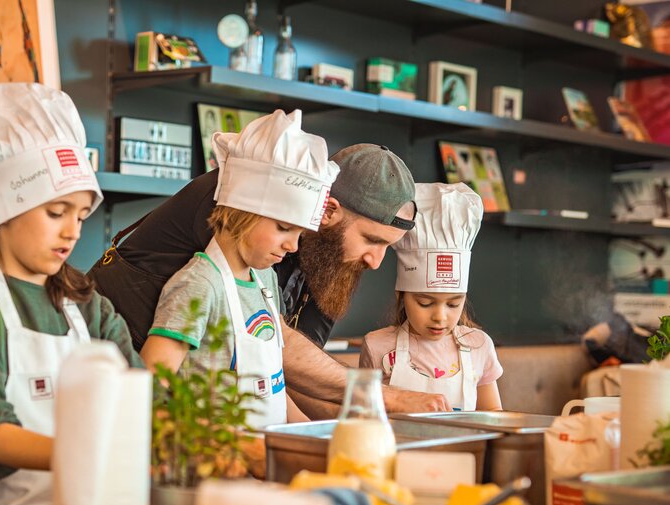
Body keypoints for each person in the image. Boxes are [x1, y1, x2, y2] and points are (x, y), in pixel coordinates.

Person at [89, 144, 451, 415]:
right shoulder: (243, 213)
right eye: (371, 240)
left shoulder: (317, 257)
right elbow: (285, 351)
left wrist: (324, 441)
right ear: (327, 210)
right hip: (117, 383)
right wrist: (383, 396)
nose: (375, 262)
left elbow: (285, 374)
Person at [0, 82, 143, 505]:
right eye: (56, 212)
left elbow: (143, 398)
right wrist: (86, 458)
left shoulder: (91, 307)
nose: (73, 231)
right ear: (6, 209)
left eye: (79, 215)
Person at [141, 109, 336, 427]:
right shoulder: (199, 286)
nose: (293, 246)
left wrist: (310, 436)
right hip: (216, 461)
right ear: (241, 210)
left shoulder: (265, 280)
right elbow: (150, 388)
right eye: (284, 227)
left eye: (300, 234)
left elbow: (271, 383)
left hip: (263, 459)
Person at [359, 183, 502, 411]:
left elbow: (494, 417)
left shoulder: (479, 346)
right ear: (402, 295)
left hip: (464, 448)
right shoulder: (378, 347)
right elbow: (365, 418)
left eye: (454, 303)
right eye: (425, 303)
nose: (440, 317)